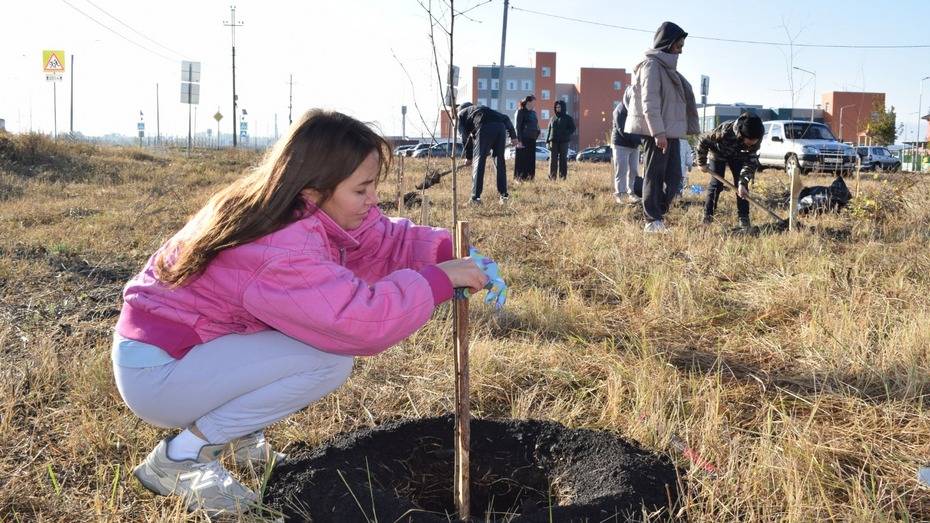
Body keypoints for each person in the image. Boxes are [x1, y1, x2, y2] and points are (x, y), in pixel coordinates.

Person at [112, 109, 499, 516]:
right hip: (160, 371)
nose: (373, 201)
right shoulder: (280, 244)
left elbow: (375, 239)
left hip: (189, 346)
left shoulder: (288, 204)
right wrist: (437, 280)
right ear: (316, 190)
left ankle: (245, 444)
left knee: (301, 338)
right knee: (327, 361)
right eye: (362, 189)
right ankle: (181, 458)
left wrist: (447, 251)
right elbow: (355, 320)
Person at [625, 21, 700, 232]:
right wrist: (658, 133)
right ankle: (652, 220)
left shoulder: (667, 68)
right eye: (679, 46)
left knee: (675, 177)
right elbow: (650, 103)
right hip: (656, 133)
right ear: (667, 45)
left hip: (671, 133)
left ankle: (658, 212)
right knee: (654, 175)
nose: (681, 51)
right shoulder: (652, 66)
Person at [697, 112, 765, 228]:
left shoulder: (757, 133)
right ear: (742, 135)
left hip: (738, 156)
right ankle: (708, 217)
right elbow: (703, 139)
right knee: (716, 184)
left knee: (742, 188)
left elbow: (751, 161)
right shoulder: (724, 132)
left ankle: (743, 218)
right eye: (749, 141)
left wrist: (743, 182)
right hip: (718, 152)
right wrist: (701, 162)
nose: (752, 143)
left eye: (754, 141)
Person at [457, 102, 520, 205]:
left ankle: (475, 198)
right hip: (500, 128)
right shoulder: (483, 109)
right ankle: (504, 196)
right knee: (499, 162)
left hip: (484, 127)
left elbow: (465, 138)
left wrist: (469, 157)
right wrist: (513, 136)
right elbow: (505, 118)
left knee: (479, 162)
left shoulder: (461, 114)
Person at [611, 86, 643, 204]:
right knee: (621, 170)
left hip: (634, 145)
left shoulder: (636, 110)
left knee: (634, 170)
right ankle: (620, 193)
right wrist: (641, 141)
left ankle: (632, 193)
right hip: (621, 144)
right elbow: (623, 131)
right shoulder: (619, 111)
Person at [546, 99, 576, 180]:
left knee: (563, 159)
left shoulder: (568, 118)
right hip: (553, 141)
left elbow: (573, 128)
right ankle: (552, 177)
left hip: (564, 142)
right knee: (553, 160)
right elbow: (548, 130)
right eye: (556, 107)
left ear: (563, 107)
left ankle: (563, 177)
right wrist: (547, 141)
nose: (557, 109)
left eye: (559, 107)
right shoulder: (552, 118)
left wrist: (565, 133)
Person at [514, 95, 541, 182]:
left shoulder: (534, 113)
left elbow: (536, 125)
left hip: (532, 139)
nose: (534, 104)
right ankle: (519, 178)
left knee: (531, 160)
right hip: (523, 140)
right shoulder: (520, 112)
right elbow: (517, 127)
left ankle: (530, 178)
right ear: (529, 102)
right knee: (521, 160)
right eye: (533, 101)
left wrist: (537, 132)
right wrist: (519, 141)